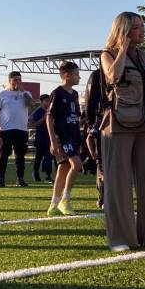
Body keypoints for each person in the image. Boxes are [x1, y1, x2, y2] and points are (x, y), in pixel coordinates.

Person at [99, 11, 145, 251]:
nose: (143, 31)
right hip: (118, 124)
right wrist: (122, 49)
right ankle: (121, 238)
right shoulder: (107, 55)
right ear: (124, 31)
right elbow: (114, 76)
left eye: (142, 26)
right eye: (137, 27)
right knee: (118, 182)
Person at [46, 62, 83, 216]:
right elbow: (49, 118)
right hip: (63, 137)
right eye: (76, 74)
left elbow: (75, 116)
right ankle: (65, 199)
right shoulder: (58, 93)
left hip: (74, 136)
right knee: (77, 165)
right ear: (66, 75)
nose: (79, 77)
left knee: (63, 168)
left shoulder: (74, 94)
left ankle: (53, 204)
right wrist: (53, 141)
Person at [0, 71, 34, 187]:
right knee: (3, 155)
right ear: (10, 80)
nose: (18, 82)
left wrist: (23, 92)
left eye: (19, 79)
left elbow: (31, 104)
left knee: (20, 156)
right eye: (15, 79)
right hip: (6, 130)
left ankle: (20, 178)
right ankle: (0, 178)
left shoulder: (26, 93)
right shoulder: (3, 94)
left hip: (21, 130)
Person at [84, 68, 105, 209]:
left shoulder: (127, 68)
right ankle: (102, 196)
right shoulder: (97, 75)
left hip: (123, 124)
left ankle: (115, 196)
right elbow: (90, 101)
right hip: (102, 123)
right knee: (102, 165)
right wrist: (92, 122)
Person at [30, 94, 53, 183]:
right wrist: (45, 116)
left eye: (49, 101)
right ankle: (35, 173)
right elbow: (36, 123)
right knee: (38, 158)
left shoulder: (51, 111)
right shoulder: (38, 111)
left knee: (48, 158)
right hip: (40, 138)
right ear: (41, 101)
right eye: (46, 101)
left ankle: (48, 176)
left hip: (49, 138)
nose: (48, 103)